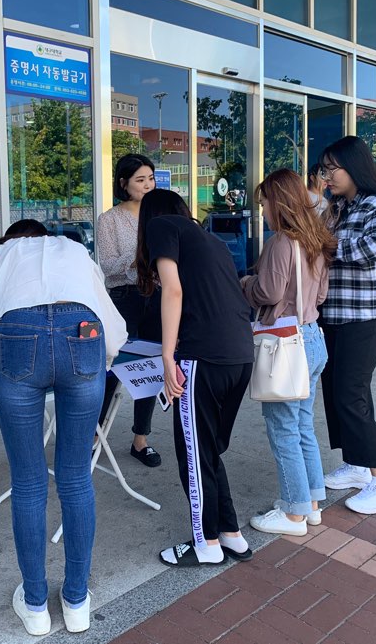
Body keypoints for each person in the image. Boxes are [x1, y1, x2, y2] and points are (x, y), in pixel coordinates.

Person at [0, 220, 127, 637]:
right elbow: (105, 310)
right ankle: (76, 601)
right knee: (76, 478)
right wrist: (104, 356)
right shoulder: (72, 249)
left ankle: (36, 604)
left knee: (27, 482)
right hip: (82, 330)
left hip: (18, 333)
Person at [135, 189, 254, 567]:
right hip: (240, 355)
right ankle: (231, 534)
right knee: (207, 450)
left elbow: (173, 290)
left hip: (203, 356)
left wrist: (167, 356)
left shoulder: (161, 226)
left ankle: (206, 544)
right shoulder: (211, 240)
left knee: (194, 455)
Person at [240, 169, 335, 537]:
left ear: (279, 202)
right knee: (302, 425)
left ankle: (294, 513)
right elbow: (321, 295)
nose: (263, 210)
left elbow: (268, 293)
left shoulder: (281, 242)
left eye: (265, 203)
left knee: (283, 429)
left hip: (285, 345)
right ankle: (312, 503)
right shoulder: (316, 239)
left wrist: (246, 283)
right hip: (312, 338)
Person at [317, 136, 376, 515]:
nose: (326, 176)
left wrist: (329, 245)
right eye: (324, 170)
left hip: (365, 319)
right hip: (334, 317)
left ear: (354, 167)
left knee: (351, 397)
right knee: (338, 395)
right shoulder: (338, 209)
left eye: (331, 169)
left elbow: (374, 249)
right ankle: (356, 465)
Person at [96, 154, 161, 467]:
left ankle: (141, 439)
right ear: (123, 183)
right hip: (124, 298)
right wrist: (138, 255)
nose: (148, 185)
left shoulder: (159, 215)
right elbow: (108, 267)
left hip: (158, 296)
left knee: (150, 367)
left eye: (151, 178)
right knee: (111, 367)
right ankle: (94, 435)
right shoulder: (109, 219)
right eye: (140, 179)